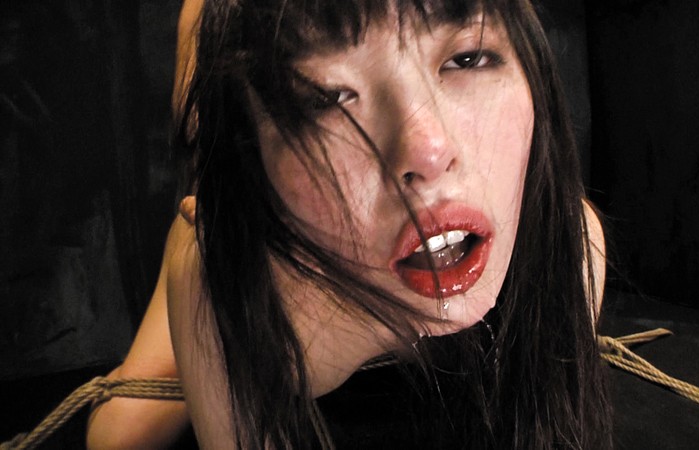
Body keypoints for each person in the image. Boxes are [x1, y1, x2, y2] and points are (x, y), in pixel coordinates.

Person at [88, 0, 611, 448]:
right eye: (326, 97)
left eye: (468, 59)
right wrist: (242, 336)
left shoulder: (570, 242)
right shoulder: (217, 270)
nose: (430, 152)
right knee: (121, 434)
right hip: (261, 247)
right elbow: (202, 131)